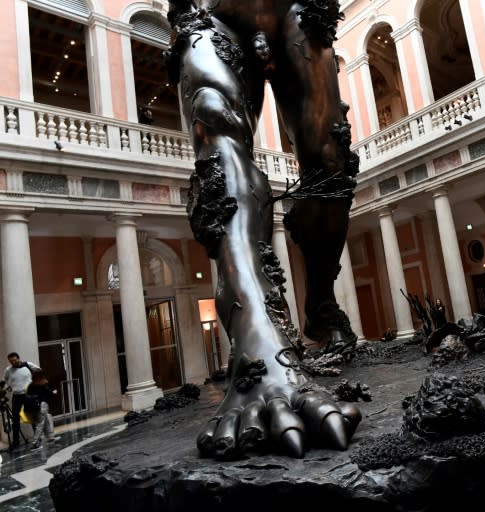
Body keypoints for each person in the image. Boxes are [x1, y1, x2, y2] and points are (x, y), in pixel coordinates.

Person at [164, 0, 361, 458]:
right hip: (207, 10)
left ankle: (322, 308)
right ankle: (259, 344)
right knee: (214, 116)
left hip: (297, 7)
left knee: (329, 156)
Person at [3, 353, 41, 449]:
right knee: (15, 419)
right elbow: (4, 380)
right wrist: (7, 387)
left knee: (32, 417)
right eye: (11, 361)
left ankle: (37, 440)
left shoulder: (28, 365)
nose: (13, 362)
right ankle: (16, 442)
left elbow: (39, 371)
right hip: (16, 396)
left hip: (28, 395)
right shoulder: (8, 370)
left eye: (15, 360)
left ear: (19, 358)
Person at [25, 370, 58, 449]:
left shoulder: (30, 386)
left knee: (45, 420)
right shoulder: (43, 385)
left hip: (32, 407)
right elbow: (50, 393)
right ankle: (35, 442)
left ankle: (50, 437)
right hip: (42, 405)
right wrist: (54, 391)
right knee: (40, 424)